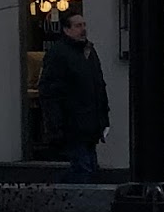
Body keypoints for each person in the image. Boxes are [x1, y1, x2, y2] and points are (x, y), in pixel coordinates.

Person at [37, 10, 110, 182]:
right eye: (78, 26)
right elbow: (50, 92)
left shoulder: (88, 51)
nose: (83, 29)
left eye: (84, 25)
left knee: (88, 169)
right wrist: (56, 126)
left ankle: (61, 190)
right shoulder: (59, 54)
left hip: (90, 125)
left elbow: (99, 86)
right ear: (66, 29)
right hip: (73, 125)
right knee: (83, 170)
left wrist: (103, 118)